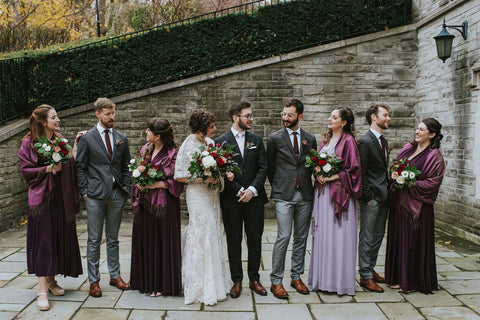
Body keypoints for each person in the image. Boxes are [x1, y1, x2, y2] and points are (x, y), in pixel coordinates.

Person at [18, 105, 83, 311]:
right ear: (43, 121)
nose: (58, 120)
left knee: (56, 237)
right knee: (43, 241)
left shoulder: (59, 139)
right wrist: (47, 168)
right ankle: (42, 291)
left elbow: (68, 163)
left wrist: (74, 147)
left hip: (59, 199)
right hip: (42, 199)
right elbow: (26, 171)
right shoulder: (29, 143)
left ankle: (52, 281)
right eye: (54, 117)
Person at [174, 109, 232, 305]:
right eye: (211, 126)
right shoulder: (188, 144)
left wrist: (222, 174)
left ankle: (216, 283)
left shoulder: (210, 144)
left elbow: (218, 169)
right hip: (197, 195)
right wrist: (203, 177)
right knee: (202, 232)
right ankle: (199, 284)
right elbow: (179, 175)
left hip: (212, 195)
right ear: (201, 127)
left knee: (214, 232)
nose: (215, 129)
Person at [76, 97, 132, 297]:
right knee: (93, 239)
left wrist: (126, 189)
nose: (111, 117)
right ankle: (94, 281)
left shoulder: (122, 138)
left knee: (113, 238)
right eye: (107, 114)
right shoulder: (87, 138)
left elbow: (126, 166)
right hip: (94, 195)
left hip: (117, 194)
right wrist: (85, 192)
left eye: (113, 113)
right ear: (97, 114)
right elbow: (80, 167)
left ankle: (115, 275)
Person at [385, 118, 445, 294]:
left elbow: (433, 183)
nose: (417, 132)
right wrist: (396, 175)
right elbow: (396, 167)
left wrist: (411, 182)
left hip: (417, 208)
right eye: (417, 128)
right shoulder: (408, 148)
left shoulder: (434, 156)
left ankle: (411, 281)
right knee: (399, 239)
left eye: (422, 129)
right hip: (399, 204)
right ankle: (397, 277)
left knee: (411, 243)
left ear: (432, 134)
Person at [214, 102, 268, 298]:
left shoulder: (256, 140)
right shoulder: (220, 142)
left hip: (255, 199)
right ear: (236, 118)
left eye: (251, 115)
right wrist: (239, 191)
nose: (251, 119)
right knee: (233, 240)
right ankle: (236, 280)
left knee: (255, 239)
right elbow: (219, 171)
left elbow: (263, 168)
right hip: (232, 200)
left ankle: (254, 279)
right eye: (247, 116)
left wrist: (252, 190)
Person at [308, 107, 362, 296]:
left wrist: (331, 178)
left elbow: (354, 171)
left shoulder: (349, 141)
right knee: (323, 237)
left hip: (339, 196)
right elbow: (317, 163)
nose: (330, 119)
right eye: (330, 116)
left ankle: (339, 282)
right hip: (322, 195)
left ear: (344, 122)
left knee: (338, 238)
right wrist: (317, 173)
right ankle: (322, 280)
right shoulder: (326, 140)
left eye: (334, 117)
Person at [267, 98, 317, 299]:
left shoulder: (310, 139)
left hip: (305, 193)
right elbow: (270, 167)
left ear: (300, 116)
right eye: (284, 114)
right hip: (284, 194)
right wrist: (279, 186)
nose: (285, 118)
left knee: (301, 238)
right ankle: (276, 281)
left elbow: (312, 164)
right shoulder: (275, 138)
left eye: (289, 115)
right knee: (283, 236)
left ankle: (296, 277)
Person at [130, 118, 184, 297]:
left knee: (163, 242)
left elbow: (177, 181)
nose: (146, 132)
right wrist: (139, 182)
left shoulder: (173, 154)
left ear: (158, 136)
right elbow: (138, 170)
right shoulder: (145, 150)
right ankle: (147, 282)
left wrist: (155, 185)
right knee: (148, 240)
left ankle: (162, 284)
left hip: (165, 206)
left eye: (149, 130)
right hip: (145, 204)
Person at [357, 104, 391, 293]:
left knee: (378, 236)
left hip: (384, 197)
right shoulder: (365, 141)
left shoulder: (383, 141)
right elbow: (361, 172)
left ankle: (370, 268)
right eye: (385, 115)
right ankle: (365, 276)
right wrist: (368, 197)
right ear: (373, 117)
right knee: (367, 236)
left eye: (388, 115)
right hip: (371, 199)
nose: (388, 119)